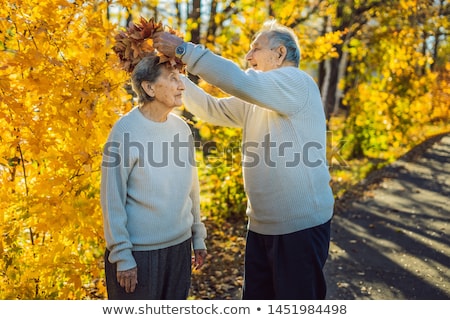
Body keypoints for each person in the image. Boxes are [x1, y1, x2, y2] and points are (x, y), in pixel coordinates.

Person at [153, 20, 334, 300]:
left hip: (299, 228)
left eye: (256, 49)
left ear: (280, 54)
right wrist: (176, 75)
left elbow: (239, 81)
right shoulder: (261, 97)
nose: (248, 57)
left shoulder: (296, 83)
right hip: (261, 226)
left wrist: (184, 51)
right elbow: (212, 109)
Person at [100, 53, 207, 300]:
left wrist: (197, 236)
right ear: (148, 87)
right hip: (139, 255)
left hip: (179, 249)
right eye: (172, 78)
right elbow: (111, 199)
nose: (182, 85)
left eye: (180, 77)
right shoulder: (125, 131)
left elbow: (192, 187)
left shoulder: (181, 128)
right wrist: (122, 255)